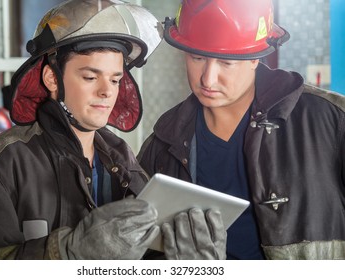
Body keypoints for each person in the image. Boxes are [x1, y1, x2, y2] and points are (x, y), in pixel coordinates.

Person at [0, 0, 167, 260]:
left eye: (115, 79)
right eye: (90, 77)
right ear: (52, 79)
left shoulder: (122, 159)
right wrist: (66, 253)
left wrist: (179, 260)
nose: (107, 91)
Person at [138, 0, 345, 260]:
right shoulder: (162, 143)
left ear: (256, 58)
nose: (208, 79)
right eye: (197, 58)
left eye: (226, 62)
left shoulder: (330, 121)